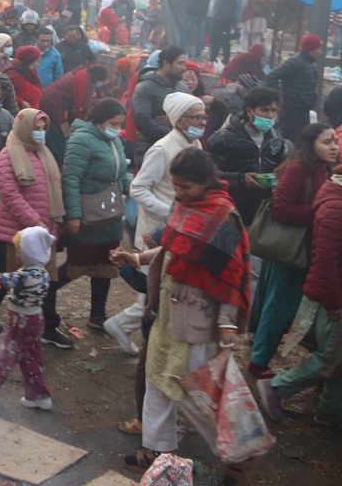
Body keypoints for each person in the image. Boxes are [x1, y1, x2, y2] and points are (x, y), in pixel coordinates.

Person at [128, 149, 260, 485]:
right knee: (157, 381)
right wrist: (138, 258)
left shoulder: (224, 215)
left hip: (200, 317)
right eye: (175, 186)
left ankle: (236, 459)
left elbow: (234, 274)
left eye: (185, 187)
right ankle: (157, 456)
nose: (179, 193)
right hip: (169, 310)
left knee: (193, 393)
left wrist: (227, 323)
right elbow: (173, 248)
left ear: (205, 182)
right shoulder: (186, 205)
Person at [112, 93, 206, 356]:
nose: (202, 121)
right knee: (155, 288)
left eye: (203, 116)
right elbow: (138, 189)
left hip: (182, 227)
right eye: (196, 117)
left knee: (156, 290)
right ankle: (127, 328)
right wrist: (170, 212)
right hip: (158, 229)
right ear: (180, 121)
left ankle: (121, 325)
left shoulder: (195, 145)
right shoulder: (162, 148)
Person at [249, 123, 336, 380]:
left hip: (308, 249)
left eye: (334, 142)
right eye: (326, 143)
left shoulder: (322, 170)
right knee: (279, 307)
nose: (334, 147)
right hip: (292, 253)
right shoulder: (298, 171)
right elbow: (281, 209)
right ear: (311, 145)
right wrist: (323, 213)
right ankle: (258, 361)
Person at [259, 159, 342, 429]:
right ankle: (277, 387)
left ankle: (330, 411)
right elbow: (327, 262)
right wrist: (334, 301)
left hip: (333, 294)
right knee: (330, 358)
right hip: (333, 298)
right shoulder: (335, 208)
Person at [53, 98, 132, 346]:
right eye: (112, 123)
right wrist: (73, 214)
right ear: (98, 121)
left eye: (120, 124)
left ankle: (98, 314)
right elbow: (71, 179)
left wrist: (132, 189)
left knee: (106, 263)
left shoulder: (114, 140)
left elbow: (120, 173)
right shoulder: (81, 140)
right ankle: (42, 294)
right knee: (79, 262)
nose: (116, 129)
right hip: (88, 213)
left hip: (109, 213)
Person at [0, 108, 63, 314]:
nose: (40, 132)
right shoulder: (8, 156)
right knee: (3, 281)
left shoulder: (44, 152)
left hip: (42, 232)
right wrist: (34, 221)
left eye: (43, 128)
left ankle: (48, 326)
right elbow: (10, 195)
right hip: (15, 234)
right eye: (35, 128)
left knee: (46, 283)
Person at [0, 226, 57, 411]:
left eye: (19, 250)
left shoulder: (26, 275)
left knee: (6, 356)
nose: (17, 254)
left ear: (29, 253)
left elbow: (3, 279)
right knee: (31, 358)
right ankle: (40, 396)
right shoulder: (43, 273)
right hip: (36, 321)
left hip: (21, 323)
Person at [207, 86, 285, 228]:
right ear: (249, 111)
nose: (270, 116)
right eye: (265, 110)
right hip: (230, 213)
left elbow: (281, 168)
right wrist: (240, 179)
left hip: (263, 216)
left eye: (273, 110)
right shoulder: (224, 138)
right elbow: (210, 175)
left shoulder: (276, 139)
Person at [266, 34, 324, 145]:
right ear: (310, 48)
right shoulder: (296, 61)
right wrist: (278, 98)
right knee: (291, 142)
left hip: (303, 110)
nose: (320, 52)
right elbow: (272, 76)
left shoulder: (311, 63)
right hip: (292, 111)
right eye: (318, 48)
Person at [131, 46, 189, 155]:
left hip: (178, 149)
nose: (184, 68)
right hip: (151, 148)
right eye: (180, 63)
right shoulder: (146, 87)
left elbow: (191, 115)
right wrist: (175, 134)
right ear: (166, 63)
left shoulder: (183, 88)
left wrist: (175, 120)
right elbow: (142, 120)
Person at [207, 0, 237, 64]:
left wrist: (230, 17)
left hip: (223, 18)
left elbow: (232, 4)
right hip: (217, 17)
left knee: (223, 40)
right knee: (215, 39)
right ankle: (213, 57)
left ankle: (225, 59)